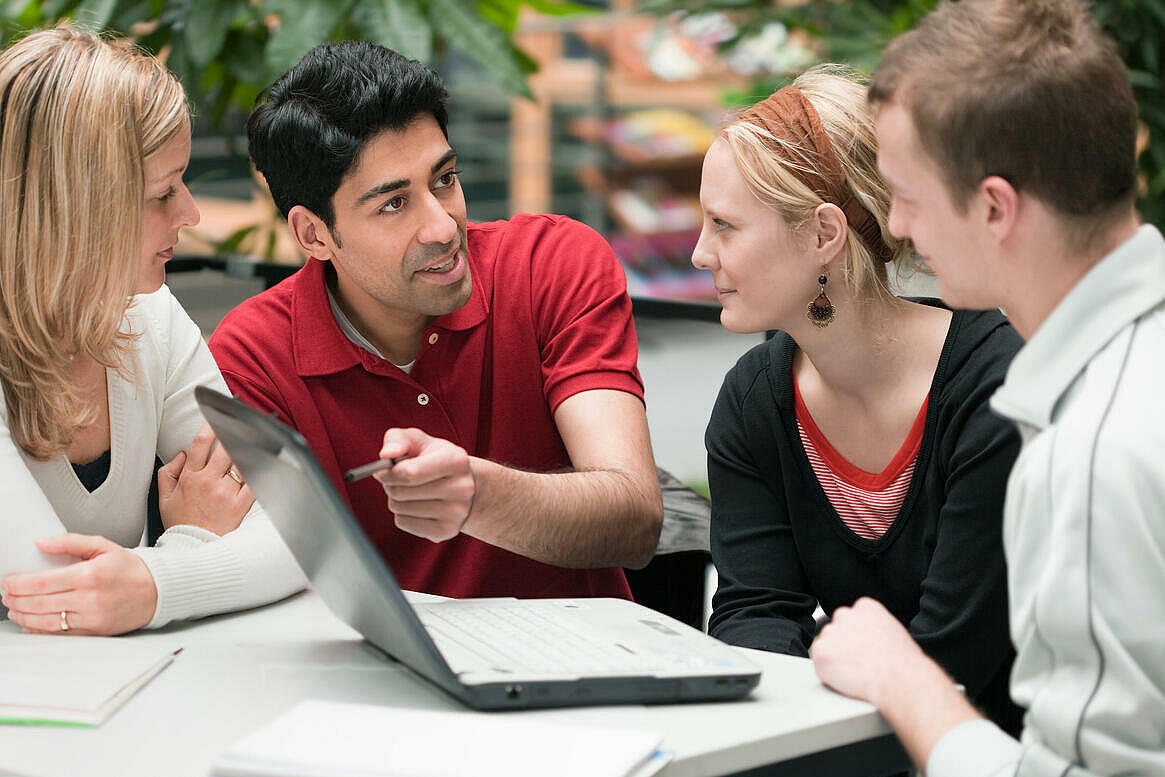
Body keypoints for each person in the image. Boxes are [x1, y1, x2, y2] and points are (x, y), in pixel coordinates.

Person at [810, 1, 1165, 775]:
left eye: (906, 193)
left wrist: (904, 680)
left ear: (994, 206)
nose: (897, 225)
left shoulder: (1093, 455)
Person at [208, 41, 662, 600]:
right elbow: (276, 583)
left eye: (444, 179)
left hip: (584, 667)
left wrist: (479, 494)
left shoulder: (552, 263)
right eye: (394, 204)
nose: (444, 227)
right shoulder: (253, 357)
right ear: (313, 234)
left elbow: (634, 519)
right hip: (376, 679)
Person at [692, 65, 1023, 733]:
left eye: (723, 225)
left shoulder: (994, 387)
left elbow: (958, 656)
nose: (700, 254)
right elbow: (753, 617)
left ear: (822, 235)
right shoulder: (752, 403)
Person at [0, 25, 305, 636]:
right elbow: (47, 597)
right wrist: (195, 545)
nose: (190, 213)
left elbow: (300, 532)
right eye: (163, 192)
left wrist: (153, 584)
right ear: (73, 208)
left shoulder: (148, 316)